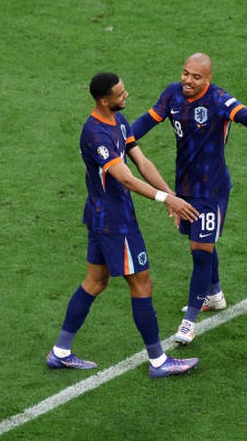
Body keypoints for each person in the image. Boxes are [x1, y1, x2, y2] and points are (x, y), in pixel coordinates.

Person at [46, 72, 199, 378]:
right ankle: (158, 360)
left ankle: (60, 351)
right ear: (104, 100)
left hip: (104, 215)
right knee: (142, 283)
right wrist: (165, 201)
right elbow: (125, 178)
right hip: (114, 222)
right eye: (120, 93)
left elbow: (142, 163)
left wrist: (171, 195)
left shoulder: (119, 121)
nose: (126, 96)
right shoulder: (95, 135)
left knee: (96, 282)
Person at [131, 53, 247, 345]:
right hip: (185, 186)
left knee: (200, 249)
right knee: (201, 243)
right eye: (185, 73)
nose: (188, 80)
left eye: (196, 77)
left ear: (208, 79)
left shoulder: (219, 100)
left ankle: (189, 321)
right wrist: (117, 139)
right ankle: (214, 294)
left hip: (212, 189)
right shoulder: (172, 94)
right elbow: (146, 121)